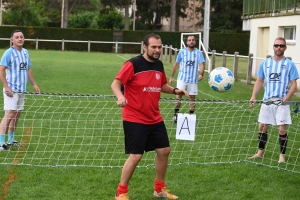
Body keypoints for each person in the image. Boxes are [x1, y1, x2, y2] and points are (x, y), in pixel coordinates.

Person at [111, 33, 189, 200]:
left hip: (154, 117)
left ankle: (159, 189)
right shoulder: (133, 64)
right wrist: (120, 96)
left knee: (164, 150)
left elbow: (161, 85)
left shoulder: (159, 65)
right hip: (134, 117)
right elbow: (115, 83)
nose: (157, 50)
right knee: (136, 155)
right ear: (144, 47)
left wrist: (176, 91)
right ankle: (121, 192)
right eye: (153, 47)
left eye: (159, 47)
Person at [249, 37, 299, 163]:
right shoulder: (265, 63)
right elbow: (260, 80)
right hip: (267, 100)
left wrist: (287, 97)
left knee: (282, 128)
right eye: (276, 45)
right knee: (262, 126)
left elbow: (294, 84)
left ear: (285, 48)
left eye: (281, 46)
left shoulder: (289, 64)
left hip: (282, 101)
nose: (279, 48)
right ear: (273, 47)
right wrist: (253, 96)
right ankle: (260, 152)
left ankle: (282, 156)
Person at [0, 30, 40, 151]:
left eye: (21, 37)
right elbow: (1, 70)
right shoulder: (8, 53)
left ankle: (11, 139)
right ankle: (1, 142)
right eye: (17, 37)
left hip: (22, 90)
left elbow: (28, 69)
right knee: (10, 113)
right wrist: (7, 87)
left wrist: (34, 84)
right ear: (12, 40)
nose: (19, 39)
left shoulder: (25, 53)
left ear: (24, 39)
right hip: (11, 90)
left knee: (16, 114)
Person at [169, 35, 205, 123]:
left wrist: (201, 73)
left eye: (193, 40)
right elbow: (176, 64)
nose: (191, 41)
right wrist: (171, 77)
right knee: (178, 96)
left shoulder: (198, 53)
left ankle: (191, 118)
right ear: (187, 42)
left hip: (193, 80)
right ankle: (176, 116)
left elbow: (201, 64)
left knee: (192, 98)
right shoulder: (182, 52)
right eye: (189, 40)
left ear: (195, 42)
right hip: (182, 78)